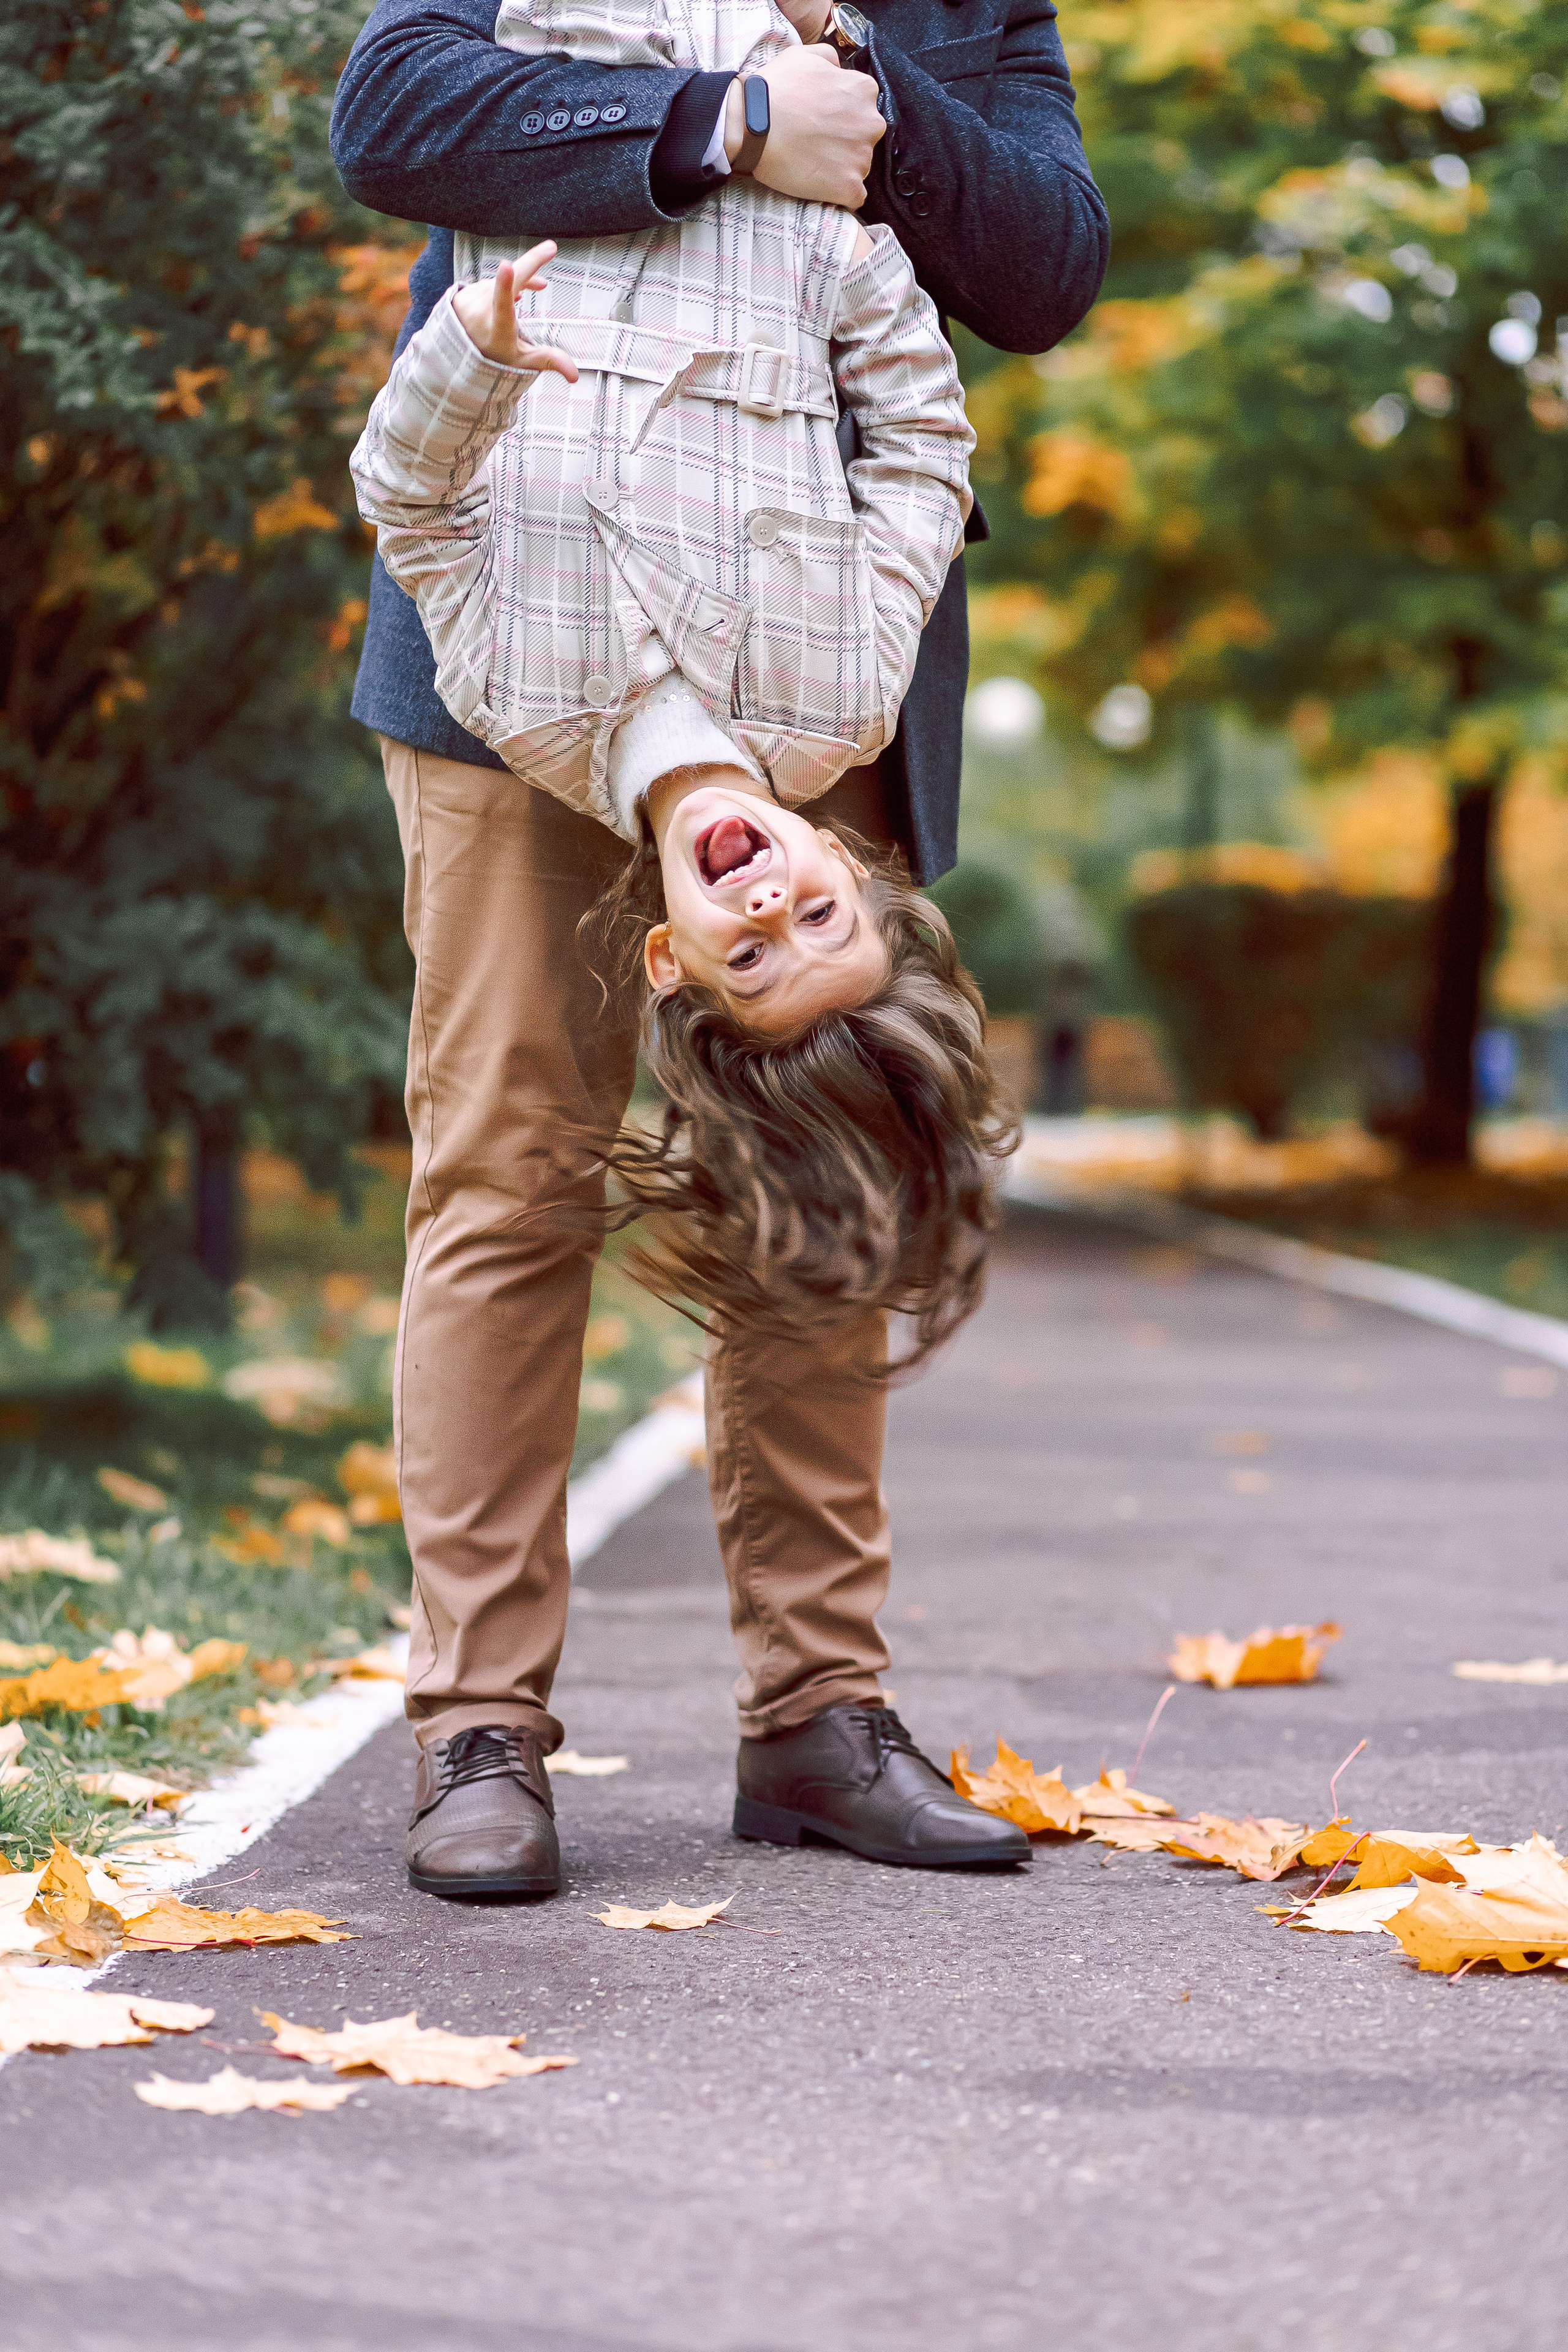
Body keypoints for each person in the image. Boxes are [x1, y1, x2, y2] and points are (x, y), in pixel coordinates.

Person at [330, 0, 1108, 1898]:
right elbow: (396, 114)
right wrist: (730, 118)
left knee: (821, 1165)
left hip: (816, 645)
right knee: (510, 1177)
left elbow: (1042, 263)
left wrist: (861, 100)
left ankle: (815, 1717)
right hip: (515, 639)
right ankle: (477, 1727)